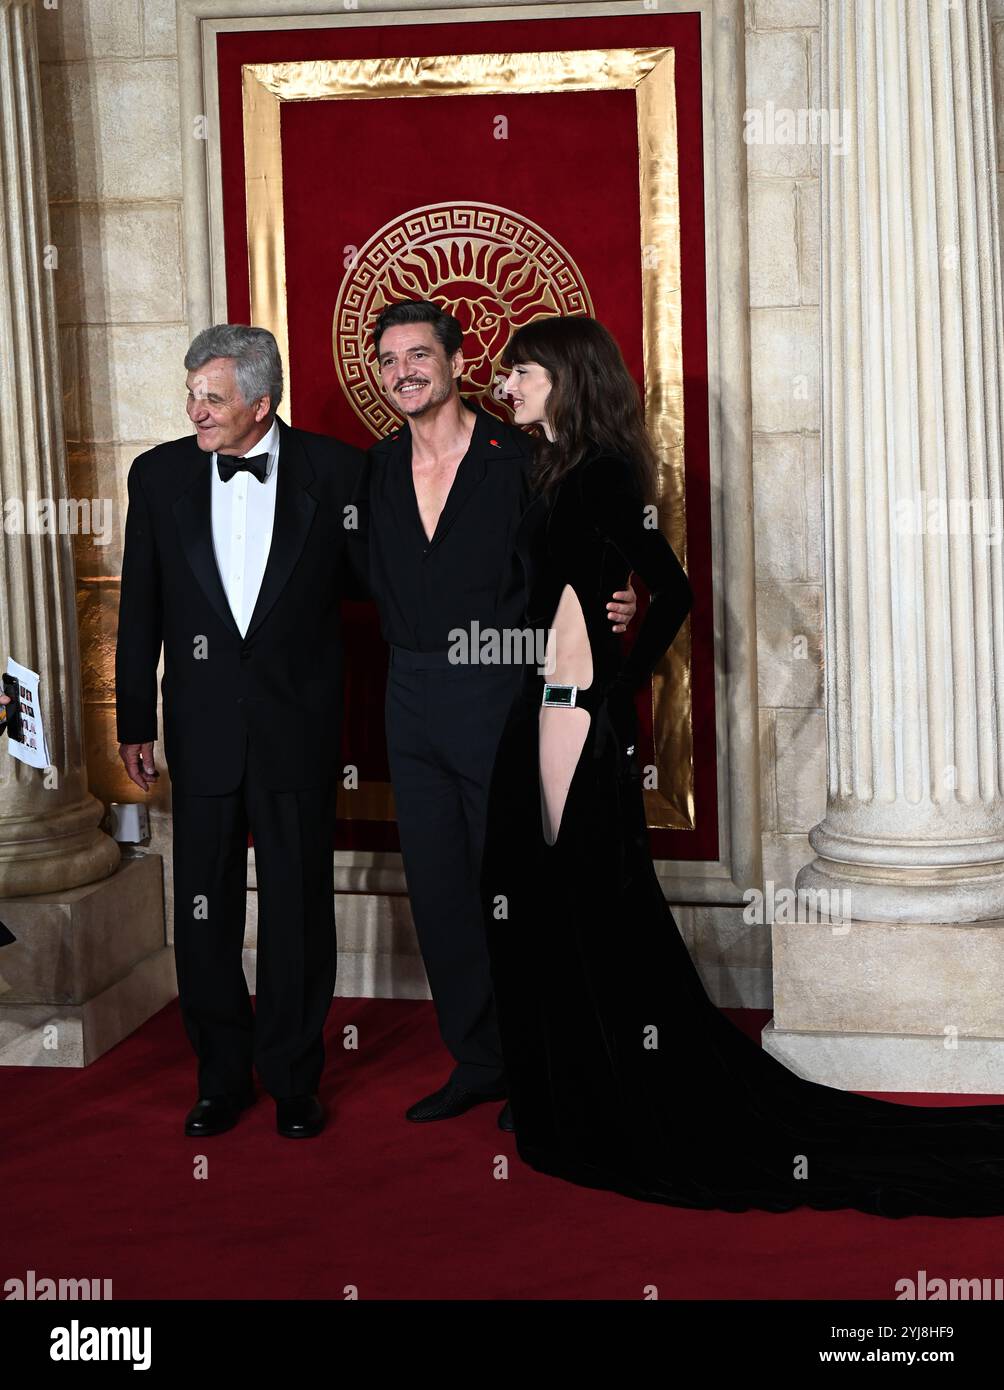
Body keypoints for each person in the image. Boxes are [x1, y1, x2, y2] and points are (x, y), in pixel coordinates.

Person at [480, 314, 1004, 1218]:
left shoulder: (600, 474)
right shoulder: (550, 467)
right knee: (541, 901)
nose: (507, 383)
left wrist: (617, 683)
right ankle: (568, 1088)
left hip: (572, 718)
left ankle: (598, 1098)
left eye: (521, 369)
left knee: (575, 903)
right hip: (543, 710)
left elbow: (672, 588)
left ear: (565, 375)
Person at [352, 300, 636, 1129]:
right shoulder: (369, 472)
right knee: (440, 891)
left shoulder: (524, 459)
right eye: (388, 358)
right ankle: (479, 1061)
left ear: (455, 360)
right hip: (408, 696)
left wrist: (616, 598)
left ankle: (542, 1062)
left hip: (502, 687)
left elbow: (584, 552)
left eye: (418, 354)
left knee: (515, 884)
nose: (403, 369)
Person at [115, 325, 366, 1140]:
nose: (195, 410)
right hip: (201, 727)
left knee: (298, 904)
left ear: (262, 403)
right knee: (204, 905)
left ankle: (294, 1075)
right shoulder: (156, 476)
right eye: (191, 393)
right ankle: (221, 1077)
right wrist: (133, 720)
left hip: (298, 726)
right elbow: (140, 608)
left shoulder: (336, 471)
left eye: (212, 397)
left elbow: (392, 583)